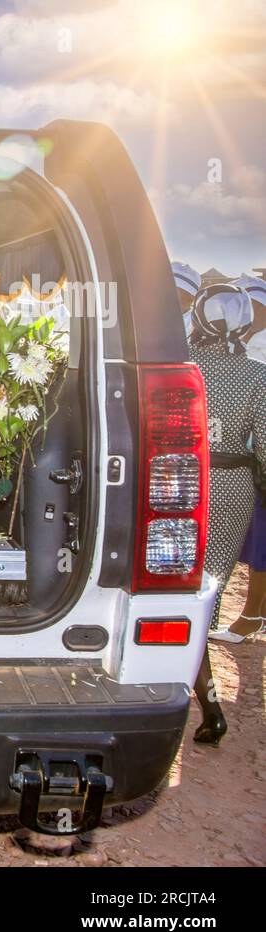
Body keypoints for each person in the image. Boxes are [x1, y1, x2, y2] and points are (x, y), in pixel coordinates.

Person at [185, 276, 264, 745]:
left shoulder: (176, 364)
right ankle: (208, 705)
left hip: (173, 480)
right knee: (206, 592)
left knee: (170, 584)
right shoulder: (257, 376)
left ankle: (207, 703)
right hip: (232, 490)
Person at [221, 273, 266, 641]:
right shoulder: (237, 347)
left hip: (251, 458)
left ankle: (252, 616)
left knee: (260, 543)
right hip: (243, 458)